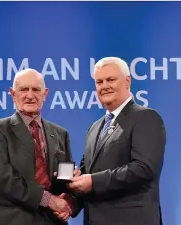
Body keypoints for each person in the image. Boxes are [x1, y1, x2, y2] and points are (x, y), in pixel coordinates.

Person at [68, 57, 166, 225]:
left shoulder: (146, 117)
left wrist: (93, 181)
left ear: (127, 82)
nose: (104, 86)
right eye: (99, 82)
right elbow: (88, 172)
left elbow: (144, 169)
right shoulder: (94, 128)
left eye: (111, 80)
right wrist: (74, 188)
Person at [0, 69, 77, 225]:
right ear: (13, 94)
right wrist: (48, 200)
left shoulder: (61, 133)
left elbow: (65, 177)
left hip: (52, 220)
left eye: (35, 89)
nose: (30, 95)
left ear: (45, 94)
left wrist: (69, 203)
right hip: (13, 219)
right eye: (23, 89)